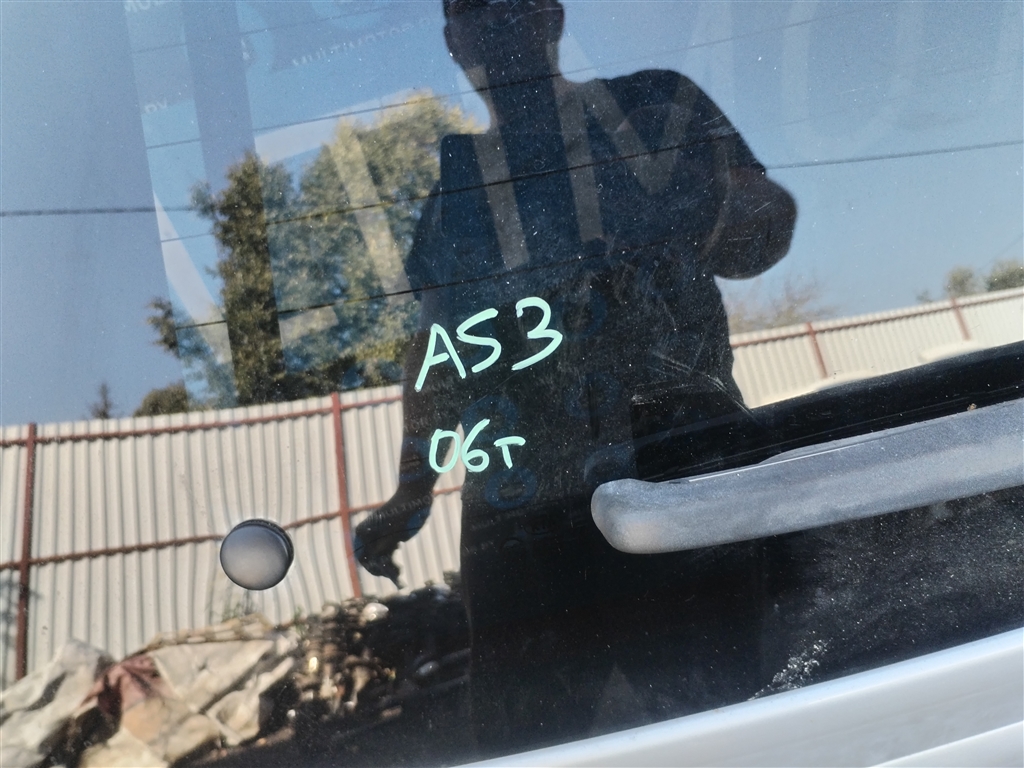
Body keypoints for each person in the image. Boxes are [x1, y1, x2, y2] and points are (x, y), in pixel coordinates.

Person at [354, 0, 797, 753]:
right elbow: (437, 352)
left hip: (680, 464)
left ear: (551, 15)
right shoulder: (453, 195)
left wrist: (697, 213)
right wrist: (411, 491)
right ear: (453, 38)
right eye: (472, 8)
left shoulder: (656, 108)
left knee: (734, 729)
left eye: (511, 3)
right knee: (527, 743)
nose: (494, 20)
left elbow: (764, 227)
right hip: (520, 511)